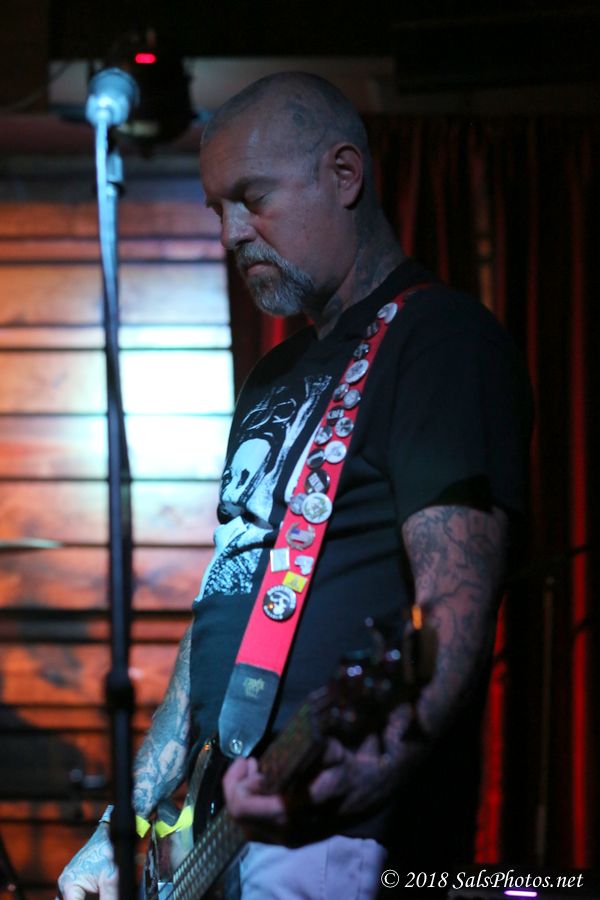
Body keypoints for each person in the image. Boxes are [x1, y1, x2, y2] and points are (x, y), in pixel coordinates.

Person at [57, 71, 532, 899]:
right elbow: (224, 603)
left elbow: (454, 605)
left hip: (335, 831)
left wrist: (365, 775)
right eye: (218, 210)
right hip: (213, 827)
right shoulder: (272, 375)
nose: (231, 233)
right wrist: (121, 828)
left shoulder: (438, 340)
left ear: (343, 175)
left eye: (252, 199)